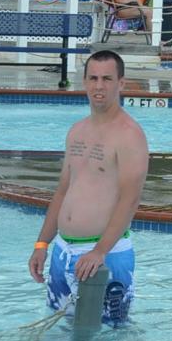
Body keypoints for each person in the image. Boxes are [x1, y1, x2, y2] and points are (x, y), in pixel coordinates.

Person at [27, 50, 148, 326]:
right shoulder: (77, 131)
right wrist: (42, 243)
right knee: (60, 336)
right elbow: (62, 191)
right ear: (84, 82)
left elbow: (130, 201)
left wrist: (100, 252)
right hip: (63, 252)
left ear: (121, 83)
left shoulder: (129, 135)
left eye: (107, 79)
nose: (99, 86)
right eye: (93, 78)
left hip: (103, 256)